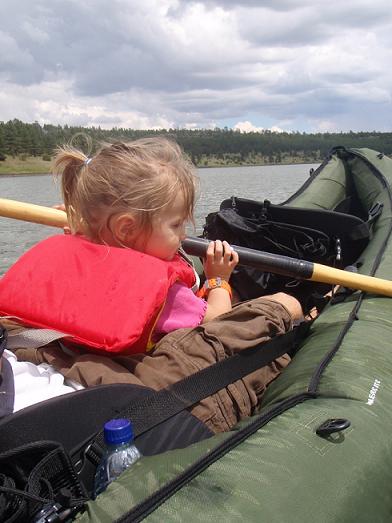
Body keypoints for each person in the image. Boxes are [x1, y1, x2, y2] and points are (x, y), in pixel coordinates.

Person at [0, 137, 304, 433]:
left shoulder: (71, 250)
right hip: (152, 361)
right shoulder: (167, 295)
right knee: (286, 304)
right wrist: (218, 280)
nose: (184, 235)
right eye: (176, 225)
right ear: (126, 228)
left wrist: (80, 232)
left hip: (71, 346)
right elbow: (215, 321)